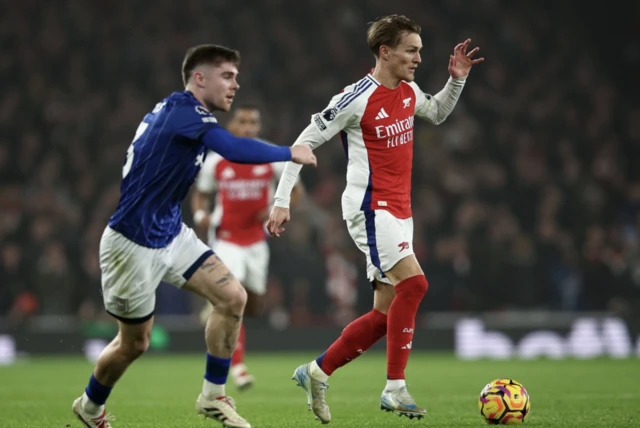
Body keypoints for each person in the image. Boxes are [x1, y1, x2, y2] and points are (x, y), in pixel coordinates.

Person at [71, 44, 316, 428]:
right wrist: (290, 151)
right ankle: (88, 408)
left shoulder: (183, 113)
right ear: (199, 78)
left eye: (236, 76)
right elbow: (232, 149)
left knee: (234, 297)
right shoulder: (184, 113)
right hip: (131, 244)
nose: (236, 85)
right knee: (134, 343)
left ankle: (213, 396)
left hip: (170, 232)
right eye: (227, 76)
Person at [267, 15, 483, 423]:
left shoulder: (407, 90)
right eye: (411, 50)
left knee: (385, 316)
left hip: (401, 211)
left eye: (419, 50)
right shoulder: (355, 98)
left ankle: (316, 371)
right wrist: (283, 201)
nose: (419, 58)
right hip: (370, 208)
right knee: (416, 285)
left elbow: (435, 113)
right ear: (385, 52)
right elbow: (301, 143)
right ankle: (394, 388)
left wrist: (456, 80)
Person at [192, 105, 305, 391]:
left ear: (258, 126)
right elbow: (201, 196)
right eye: (242, 121)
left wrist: (276, 209)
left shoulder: (272, 157)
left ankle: (215, 310)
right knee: (235, 298)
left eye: (252, 122)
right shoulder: (216, 161)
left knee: (253, 306)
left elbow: (297, 191)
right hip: (226, 238)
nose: (247, 127)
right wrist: (200, 216)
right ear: (232, 126)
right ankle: (238, 367)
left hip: (257, 242)